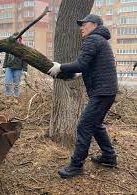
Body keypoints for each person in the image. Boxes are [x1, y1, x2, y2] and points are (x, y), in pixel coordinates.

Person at [48, 14, 118, 178]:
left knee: (84, 126)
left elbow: (81, 64)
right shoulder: (101, 40)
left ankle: (76, 166)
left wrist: (61, 67)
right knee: (96, 124)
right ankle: (109, 156)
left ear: (94, 24)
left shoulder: (93, 39)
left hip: (102, 92)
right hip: (106, 91)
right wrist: (77, 74)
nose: (81, 27)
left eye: (84, 24)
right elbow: (91, 66)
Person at [3, 32, 28, 104]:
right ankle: (8, 97)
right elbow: (6, 57)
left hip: (18, 68)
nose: (16, 39)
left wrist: (25, 70)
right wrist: (4, 67)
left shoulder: (23, 48)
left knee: (16, 84)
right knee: (7, 83)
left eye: (17, 38)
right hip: (9, 67)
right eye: (14, 38)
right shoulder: (9, 46)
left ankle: (15, 97)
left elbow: (25, 59)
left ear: (20, 39)